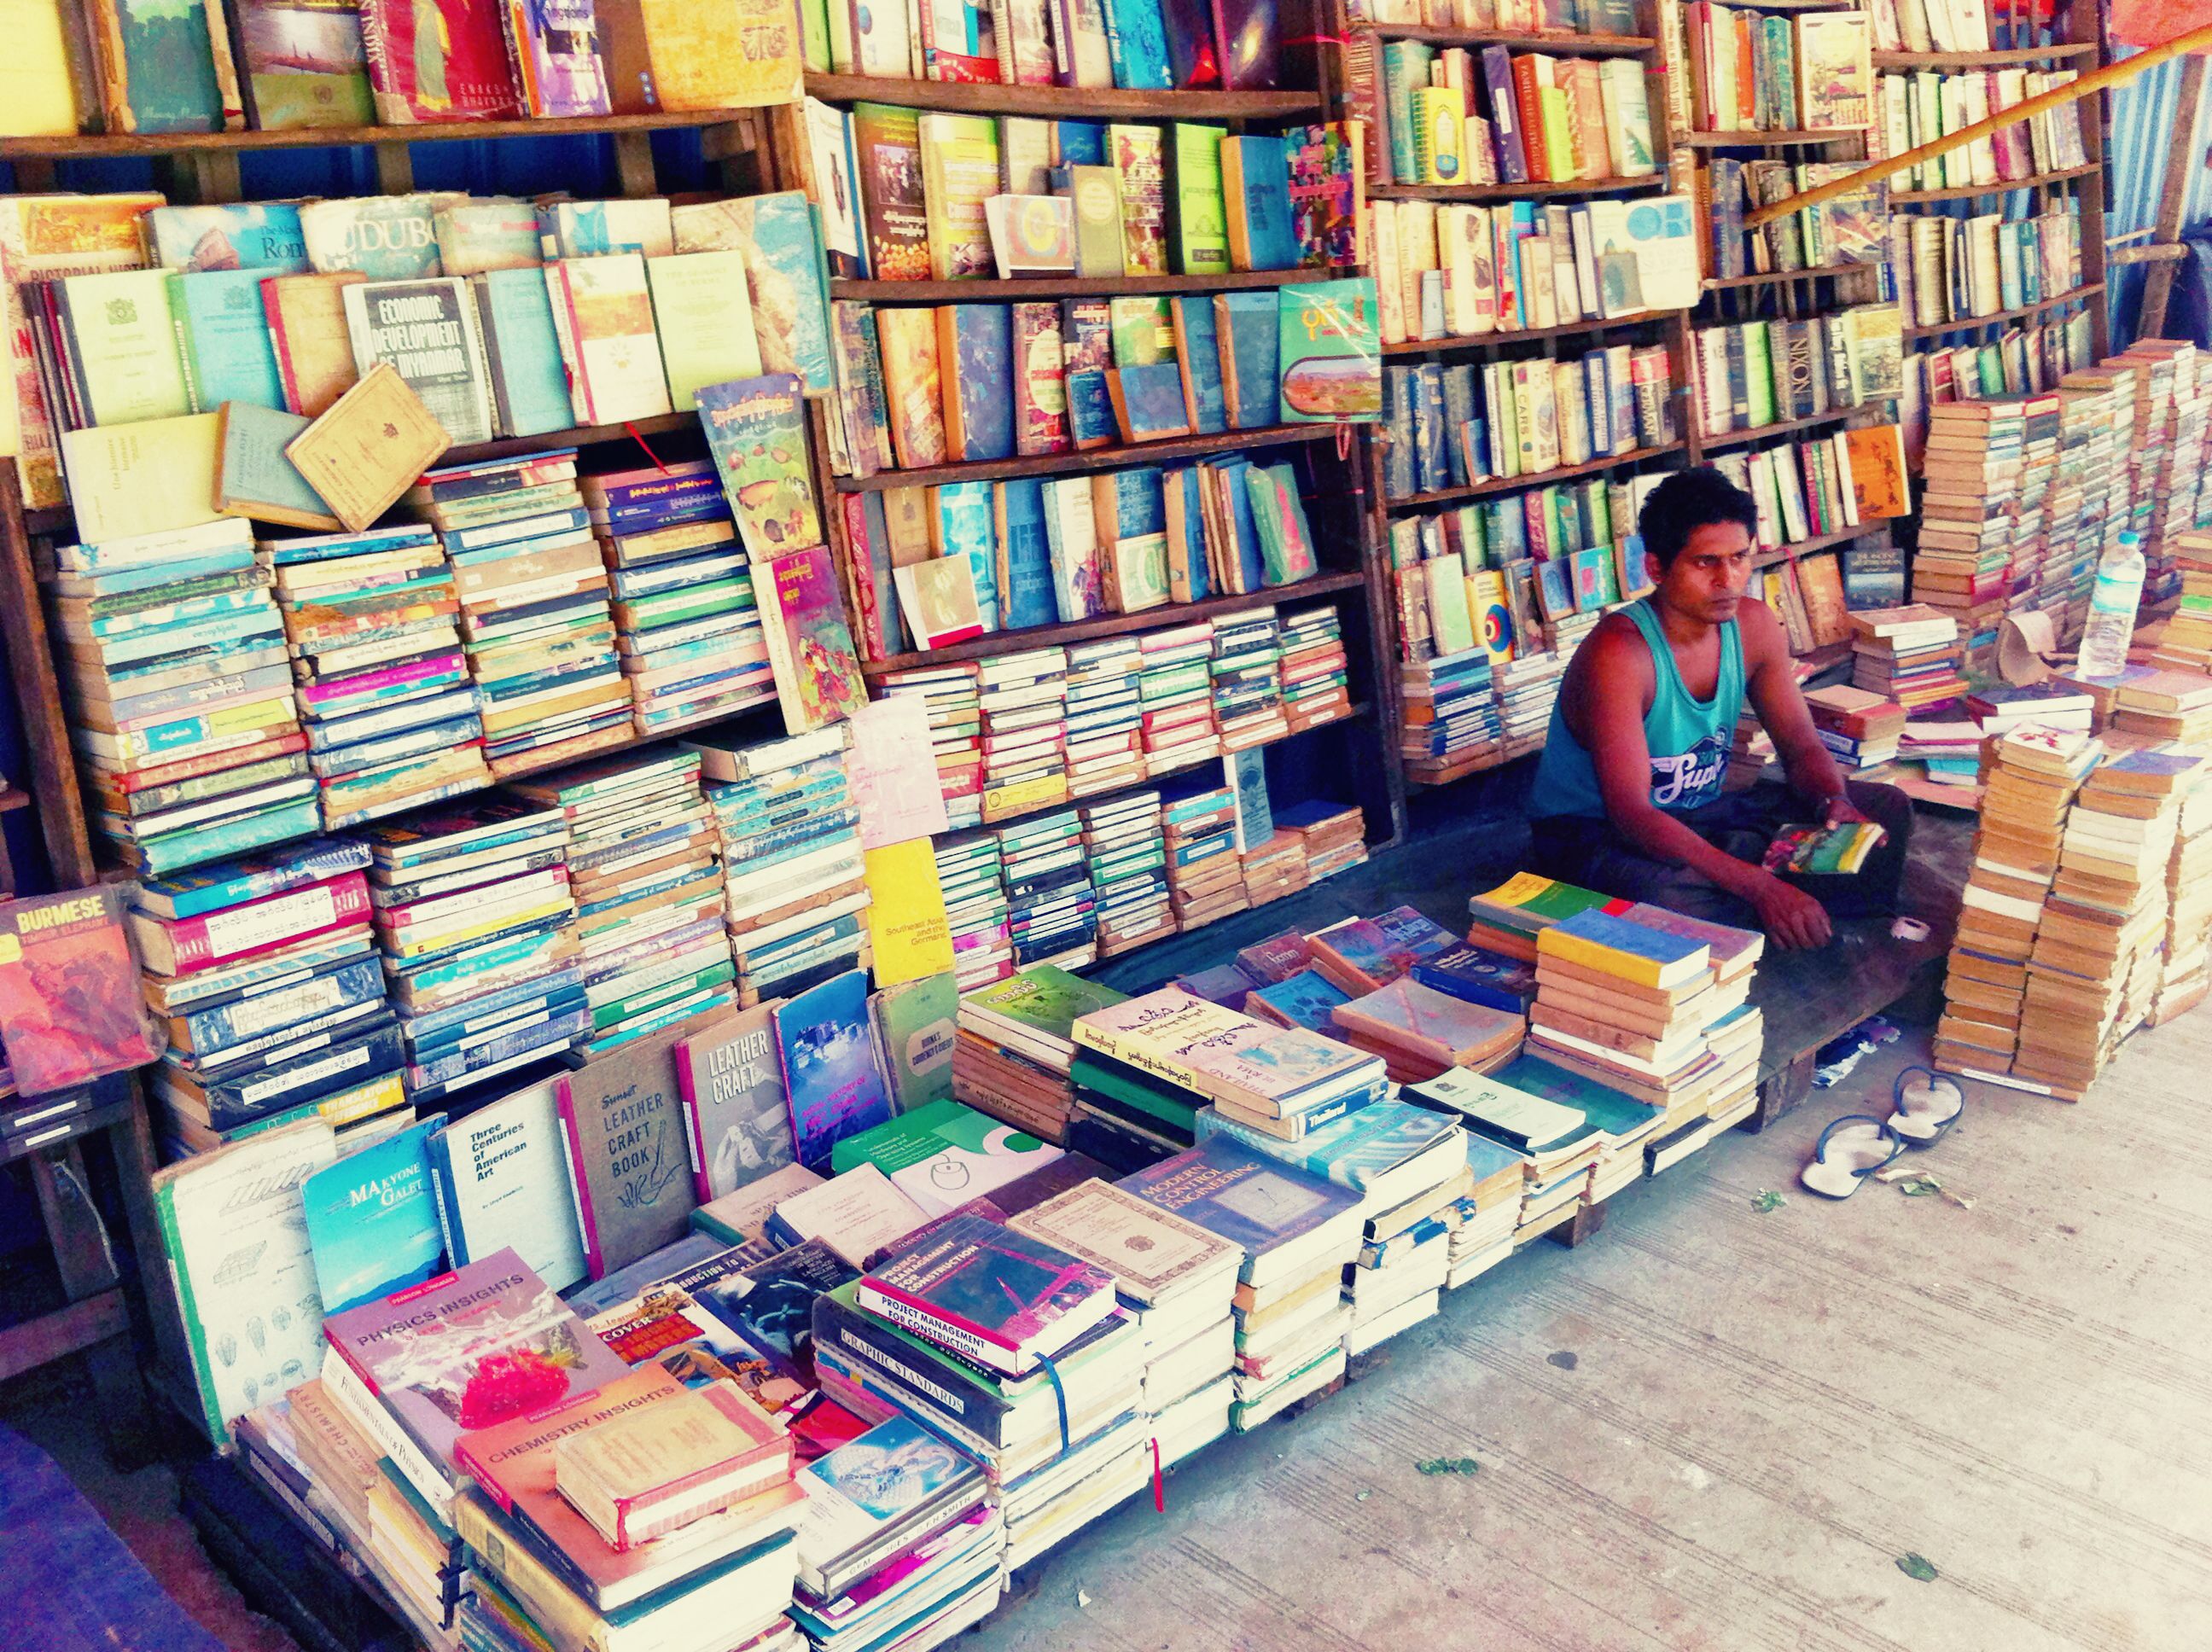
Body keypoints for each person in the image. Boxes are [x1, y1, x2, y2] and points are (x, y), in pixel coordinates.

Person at [1524, 467, 1914, 950]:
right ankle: (1773, 906)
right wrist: (1759, 884)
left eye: (1739, 558)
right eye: (1705, 563)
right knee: (1664, 897)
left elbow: (1800, 746)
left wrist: (1832, 802)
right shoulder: (1620, 654)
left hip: (1702, 814)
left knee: (1883, 810)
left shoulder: (1753, 627)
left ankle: (1785, 914)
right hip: (1597, 834)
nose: (1728, 580)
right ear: (1656, 569)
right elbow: (1632, 815)